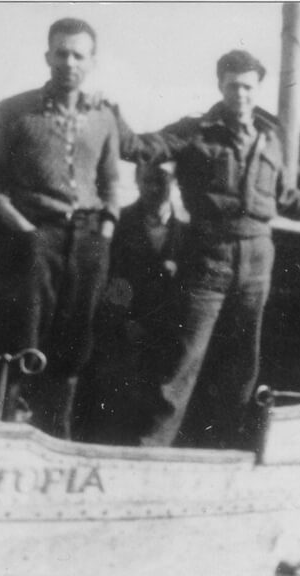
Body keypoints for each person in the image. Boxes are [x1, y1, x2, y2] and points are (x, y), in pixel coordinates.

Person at [119, 49, 300, 448]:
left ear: (257, 88)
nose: (242, 95)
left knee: (242, 363)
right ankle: (153, 449)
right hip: (207, 257)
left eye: (249, 87)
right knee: (183, 360)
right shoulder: (193, 131)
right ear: (220, 85)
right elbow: (138, 148)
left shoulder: (270, 139)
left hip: (256, 263)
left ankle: (228, 446)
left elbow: (284, 197)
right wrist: (110, 115)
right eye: (233, 86)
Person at [0, 17, 128, 438]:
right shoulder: (13, 111)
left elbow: (112, 179)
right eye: (61, 53)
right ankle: (3, 434)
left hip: (89, 239)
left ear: (92, 62)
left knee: (75, 343)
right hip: (34, 237)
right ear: (47, 56)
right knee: (22, 336)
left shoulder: (103, 117)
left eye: (78, 55)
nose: (69, 62)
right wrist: (26, 231)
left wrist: (109, 225)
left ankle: (54, 437)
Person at [76, 162, 186, 444]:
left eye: (161, 181)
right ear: (137, 181)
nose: (153, 188)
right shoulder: (121, 224)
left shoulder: (186, 231)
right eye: (147, 180)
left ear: (172, 183)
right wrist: (126, 321)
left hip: (167, 333)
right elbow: (113, 278)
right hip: (123, 328)